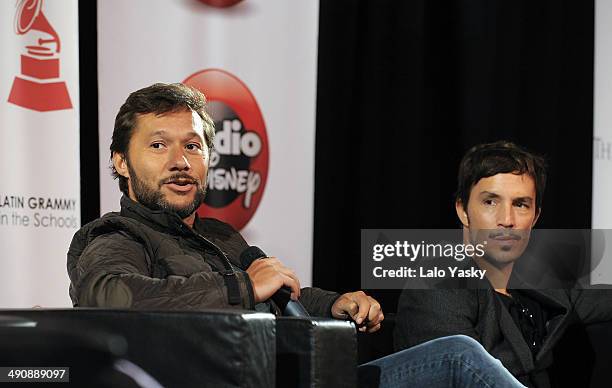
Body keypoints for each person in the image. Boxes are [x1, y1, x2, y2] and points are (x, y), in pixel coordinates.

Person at [68, 83, 525, 387]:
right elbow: (107, 296)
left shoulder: (221, 235)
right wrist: (244, 285)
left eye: (192, 146)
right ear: (121, 163)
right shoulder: (117, 234)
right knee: (460, 359)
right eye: (157, 144)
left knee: (454, 358)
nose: (180, 162)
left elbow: (279, 294)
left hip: (303, 375)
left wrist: (333, 303)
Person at [394, 141, 612, 387]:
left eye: (520, 204)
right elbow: (464, 379)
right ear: (462, 210)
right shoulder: (438, 286)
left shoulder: (543, 285)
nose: (507, 220)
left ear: (535, 216)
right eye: (490, 202)